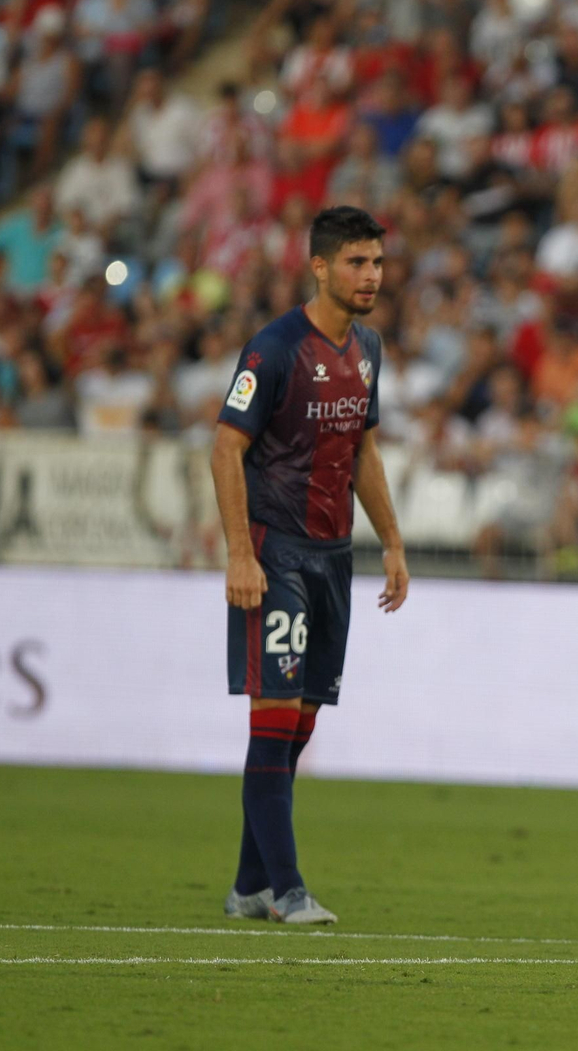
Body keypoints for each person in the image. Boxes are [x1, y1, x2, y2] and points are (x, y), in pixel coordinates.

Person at [211, 206, 410, 924]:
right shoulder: (274, 348)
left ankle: (246, 886)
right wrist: (240, 552)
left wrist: (390, 538)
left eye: (378, 263)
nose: (371, 276)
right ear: (319, 266)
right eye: (357, 262)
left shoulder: (369, 349)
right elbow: (226, 446)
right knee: (275, 718)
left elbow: (363, 449)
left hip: (333, 557)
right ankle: (289, 889)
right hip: (277, 554)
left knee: (300, 726)